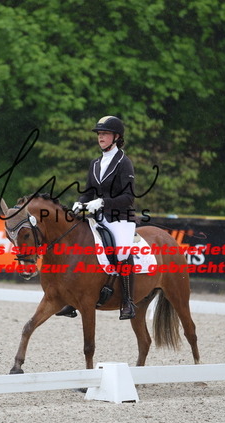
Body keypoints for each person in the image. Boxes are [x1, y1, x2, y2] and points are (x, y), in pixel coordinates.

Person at [56, 115, 137, 320]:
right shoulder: (95, 164)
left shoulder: (124, 163)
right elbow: (89, 192)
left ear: (116, 137)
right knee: (78, 247)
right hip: (97, 218)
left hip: (120, 218)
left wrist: (103, 202)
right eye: (99, 134)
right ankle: (71, 300)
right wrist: (80, 202)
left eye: (105, 134)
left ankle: (127, 301)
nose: (100, 137)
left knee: (121, 251)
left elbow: (128, 197)